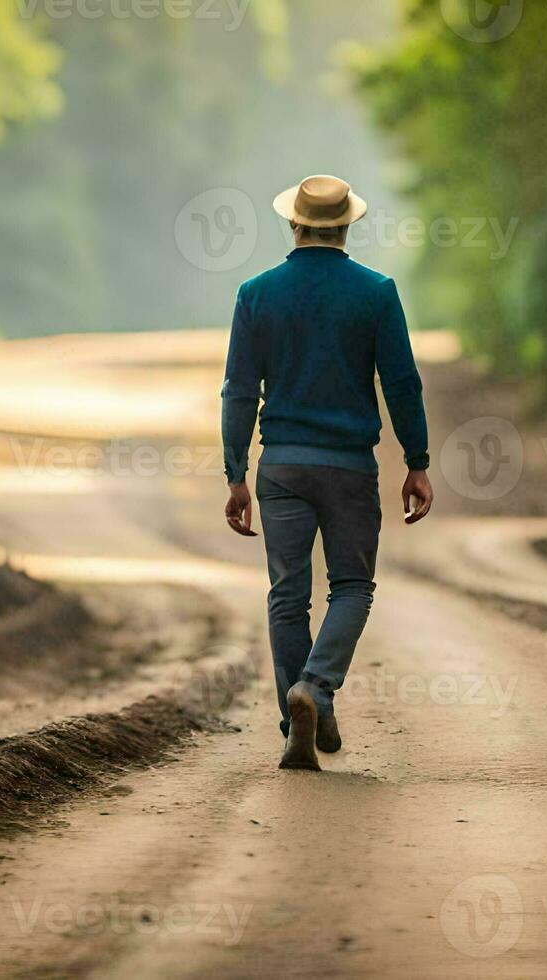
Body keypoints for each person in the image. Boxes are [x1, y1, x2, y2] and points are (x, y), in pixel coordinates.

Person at [220, 174, 433, 771]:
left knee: (287, 596)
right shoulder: (375, 292)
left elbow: (239, 391)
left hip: (281, 466)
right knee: (353, 588)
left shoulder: (256, 293)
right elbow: (401, 383)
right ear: (346, 226)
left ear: (294, 223)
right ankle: (315, 688)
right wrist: (416, 461)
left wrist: (235, 473)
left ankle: (299, 721)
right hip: (347, 468)